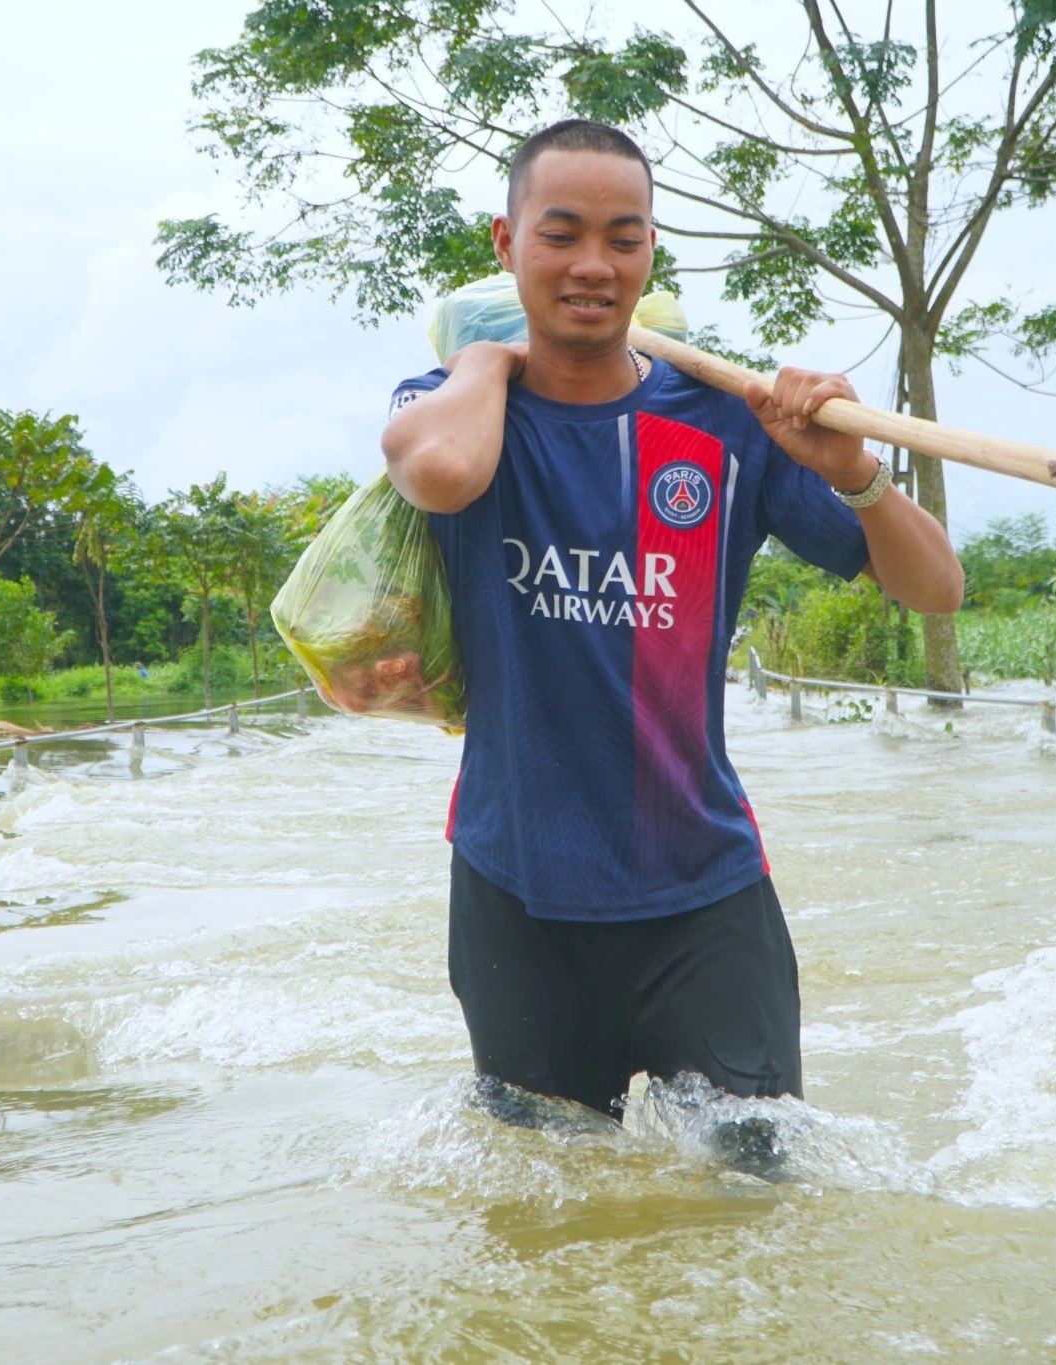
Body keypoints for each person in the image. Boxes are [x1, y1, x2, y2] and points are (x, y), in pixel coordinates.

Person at [382, 119, 964, 1162]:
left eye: (624, 236)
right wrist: (484, 356)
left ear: (651, 254)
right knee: (545, 1218)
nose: (593, 266)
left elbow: (934, 589)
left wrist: (848, 469)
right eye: (559, 235)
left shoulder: (728, 425)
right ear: (504, 242)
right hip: (517, 895)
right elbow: (438, 478)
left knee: (755, 1200)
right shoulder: (453, 407)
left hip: (702, 895)